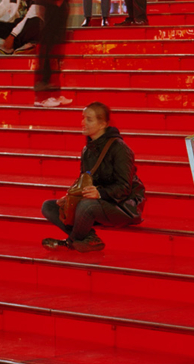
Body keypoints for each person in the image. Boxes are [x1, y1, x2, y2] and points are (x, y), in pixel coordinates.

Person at [40, 102, 146, 253]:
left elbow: (124, 188)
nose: (83, 123)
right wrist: (70, 197)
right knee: (49, 206)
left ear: (103, 124)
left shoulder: (120, 148)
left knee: (86, 206)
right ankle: (90, 238)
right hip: (99, 202)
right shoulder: (87, 150)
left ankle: (69, 242)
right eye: (83, 118)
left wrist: (100, 193)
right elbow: (85, 181)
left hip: (123, 206)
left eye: (89, 119)